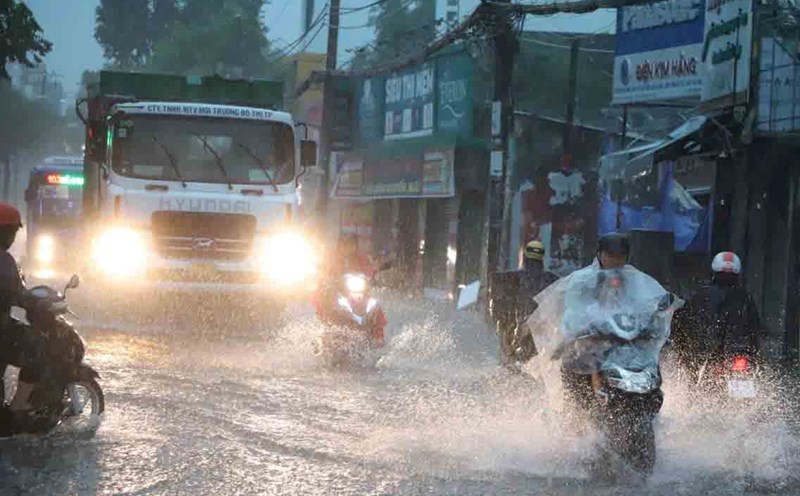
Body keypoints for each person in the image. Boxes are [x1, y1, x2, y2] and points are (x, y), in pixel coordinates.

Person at [670, 251, 765, 383]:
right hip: (740, 353)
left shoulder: (701, 296)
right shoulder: (746, 297)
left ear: (714, 271)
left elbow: (684, 323)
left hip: (707, 354)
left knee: (694, 380)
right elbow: (756, 327)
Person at [0, 203, 47, 414]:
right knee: (38, 348)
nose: (12, 238)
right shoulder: (4, 260)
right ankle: (18, 406)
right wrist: (36, 303)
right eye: (11, 232)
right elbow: (19, 294)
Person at [313, 232, 387, 347]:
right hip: (337, 291)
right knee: (327, 303)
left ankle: (378, 336)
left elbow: (369, 270)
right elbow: (324, 271)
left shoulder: (362, 258)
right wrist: (327, 278)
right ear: (340, 245)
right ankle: (328, 333)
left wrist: (373, 275)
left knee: (375, 306)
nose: (348, 248)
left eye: (351, 244)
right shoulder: (332, 258)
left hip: (357, 292)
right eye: (345, 244)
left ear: (355, 246)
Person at [494, 240, 559, 368]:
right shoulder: (553, 279)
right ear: (542, 258)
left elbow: (500, 306)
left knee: (511, 362)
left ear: (525, 256)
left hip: (515, 328)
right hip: (539, 331)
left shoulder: (509, 278)